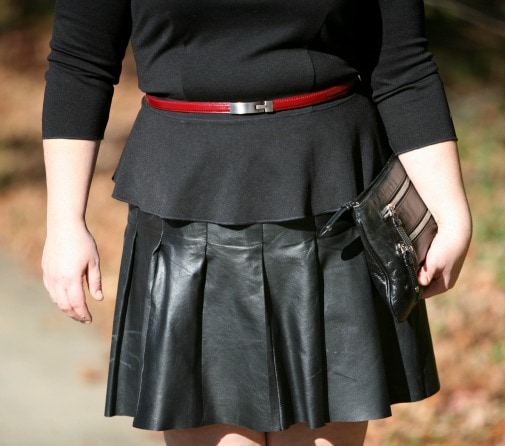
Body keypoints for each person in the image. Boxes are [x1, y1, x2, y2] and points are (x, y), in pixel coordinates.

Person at [41, 0, 472, 445]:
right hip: (185, 204)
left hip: (332, 201)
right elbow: (80, 60)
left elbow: (402, 64)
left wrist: (451, 211)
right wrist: (64, 222)